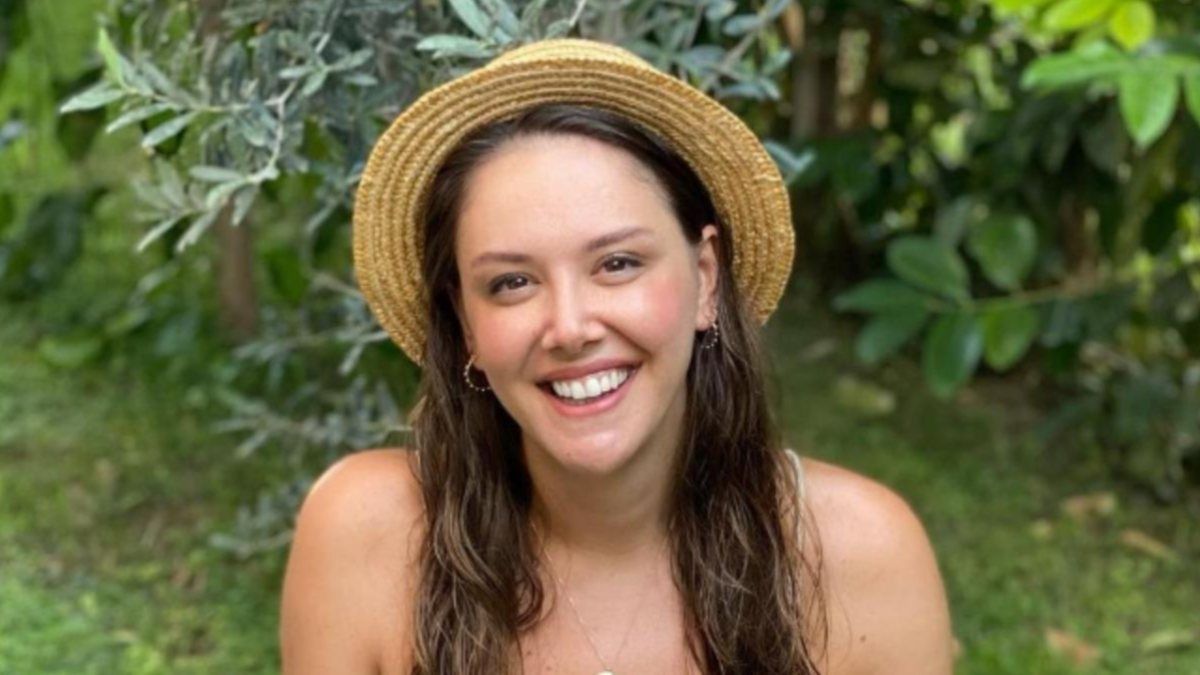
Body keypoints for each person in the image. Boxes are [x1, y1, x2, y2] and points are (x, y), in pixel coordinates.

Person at [280, 39, 954, 674]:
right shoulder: (365, 536)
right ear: (466, 325)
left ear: (706, 279)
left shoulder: (861, 556)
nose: (570, 327)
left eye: (617, 263)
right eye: (512, 282)